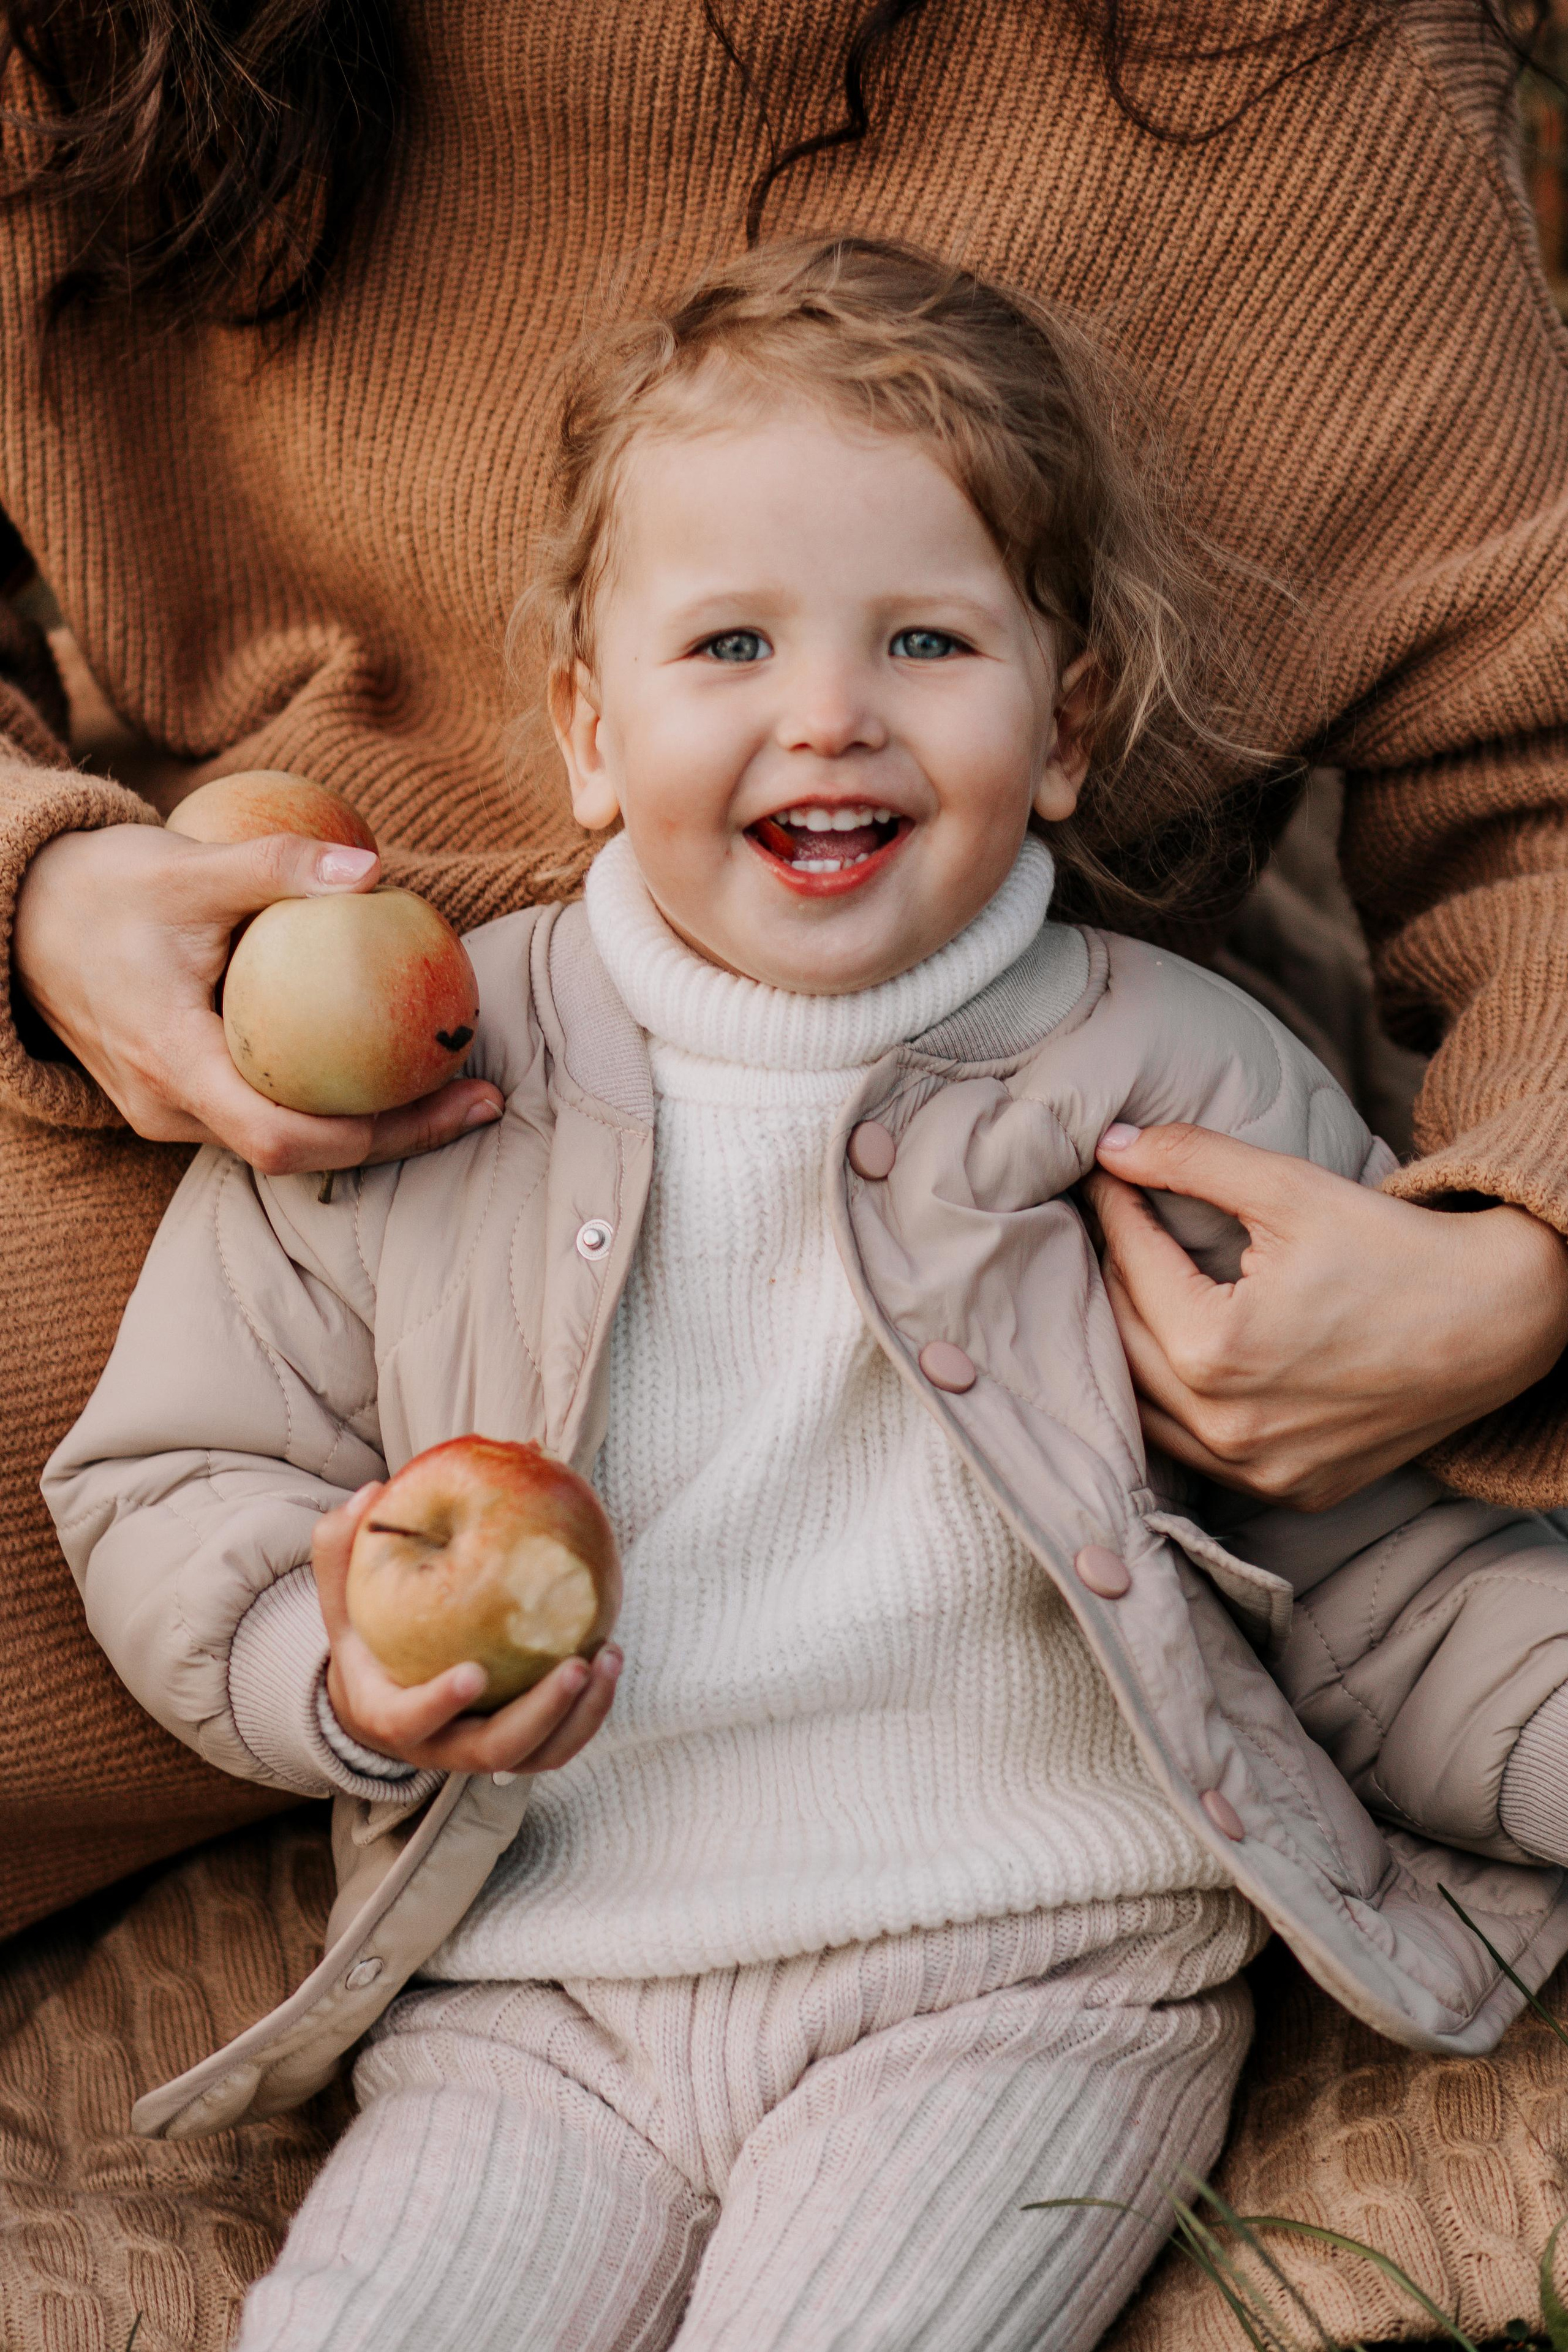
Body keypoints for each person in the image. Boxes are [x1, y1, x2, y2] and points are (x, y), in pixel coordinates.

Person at [43, 239, 1568, 2352]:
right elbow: (179, 1465)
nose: (828, 711)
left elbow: (1378, 1565)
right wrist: (330, 1666)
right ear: (589, 724)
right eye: (733, 641)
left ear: (1066, 724)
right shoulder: (432, 1070)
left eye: (928, 640)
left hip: (1020, 1970)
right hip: (539, 1998)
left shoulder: (1175, 1084)